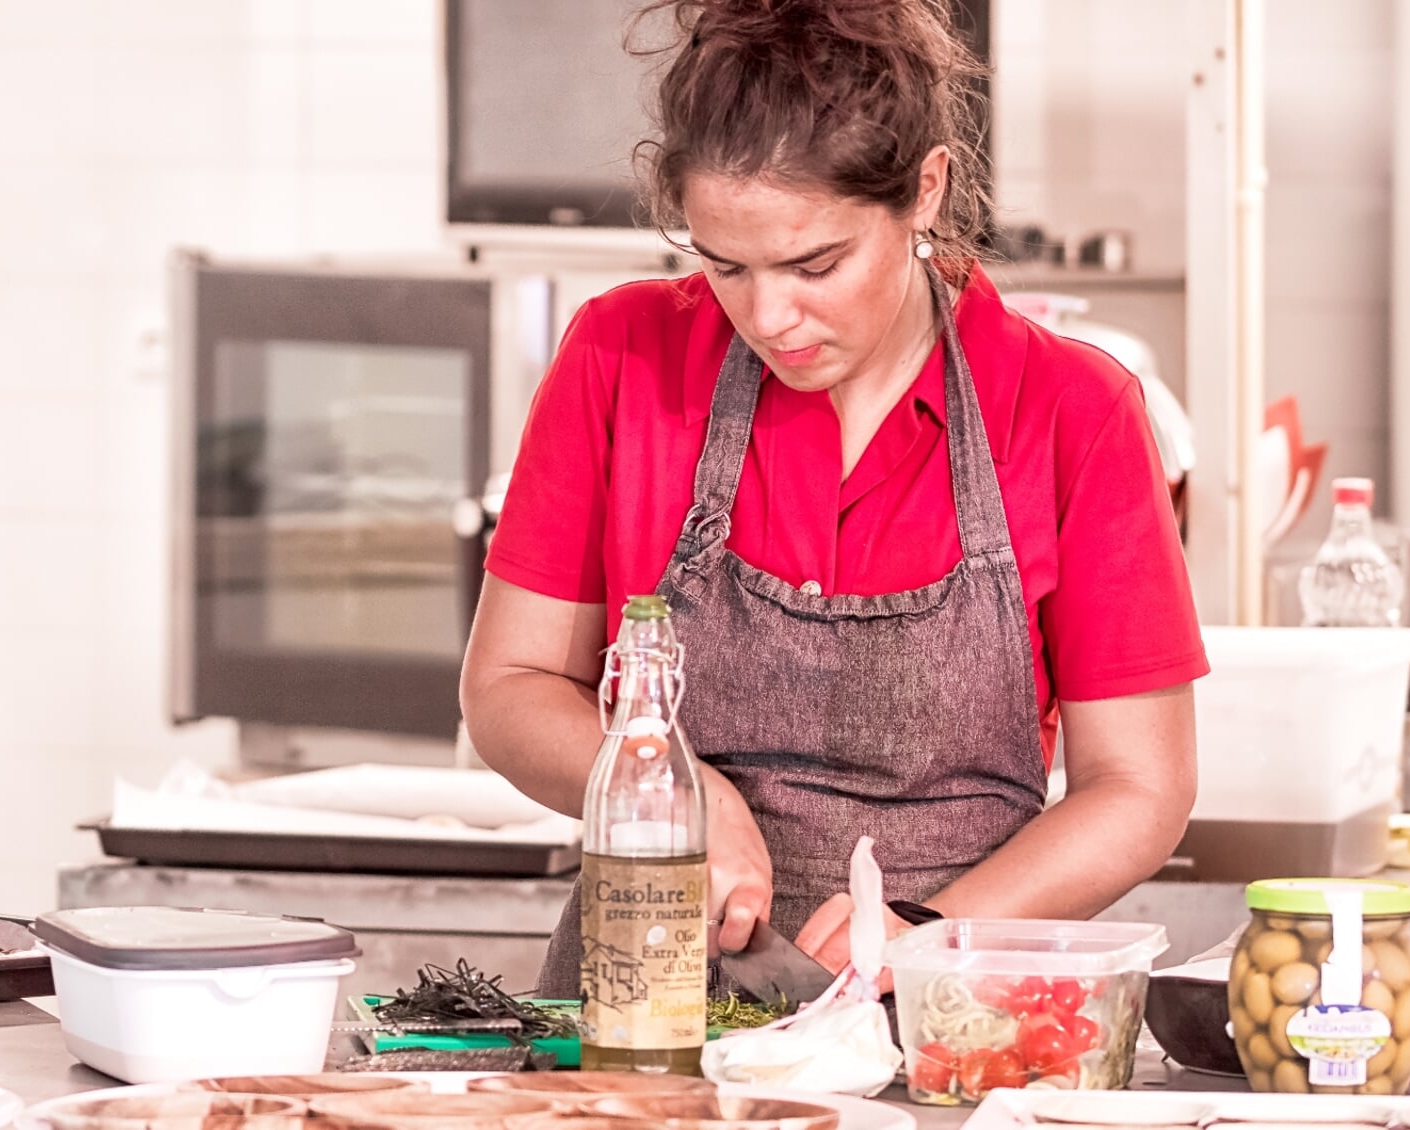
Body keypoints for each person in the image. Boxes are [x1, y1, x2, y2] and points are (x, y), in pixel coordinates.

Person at [458, 0, 1205, 997]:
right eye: (724, 264)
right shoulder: (620, 356)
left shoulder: (1071, 408)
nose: (769, 315)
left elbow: (1141, 786)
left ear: (925, 191)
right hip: (644, 1014)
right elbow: (506, 687)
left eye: (816, 264)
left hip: (946, 1026)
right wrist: (679, 789)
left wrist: (929, 937)